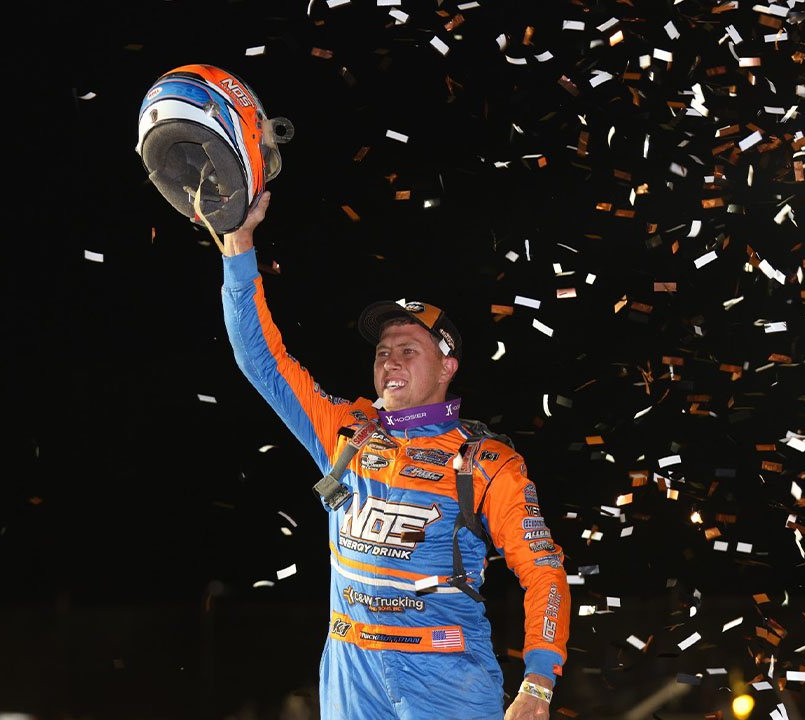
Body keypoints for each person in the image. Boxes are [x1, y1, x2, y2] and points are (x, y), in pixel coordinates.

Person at [220, 192, 570, 720]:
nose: (390, 361)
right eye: (383, 352)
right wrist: (239, 245)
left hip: (447, 678)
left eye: (409, 350)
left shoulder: (489, 463)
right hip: (349, 669)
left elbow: (544, 573)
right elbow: (261, 361)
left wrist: (538, 683)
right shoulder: (345, 429)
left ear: (448, 366)